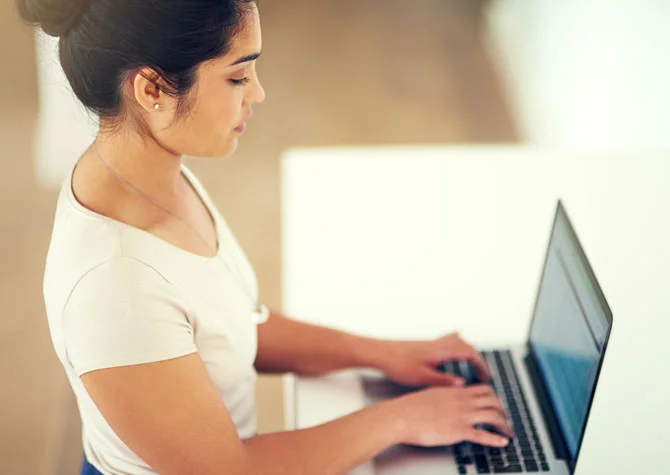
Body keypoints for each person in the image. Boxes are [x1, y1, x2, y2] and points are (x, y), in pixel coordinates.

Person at [18, 0, 513, 473]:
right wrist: (402, 418)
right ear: (151, 91)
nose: (257, 93)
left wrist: (384, 354)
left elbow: (228, 320)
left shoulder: (150, 177)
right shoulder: (114, 288)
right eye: (237, 75)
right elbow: (232, 470)